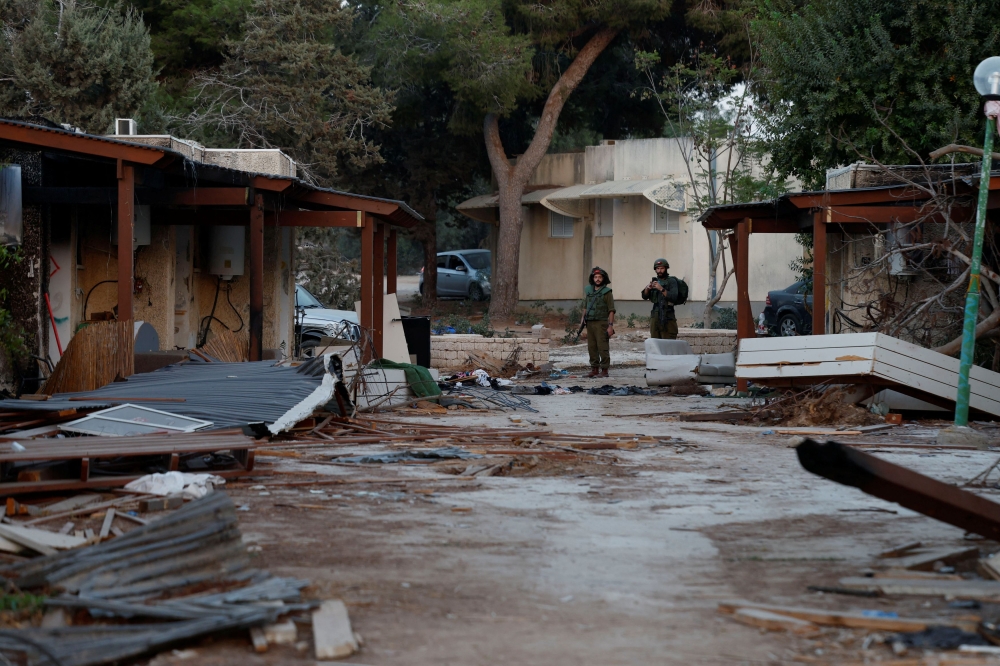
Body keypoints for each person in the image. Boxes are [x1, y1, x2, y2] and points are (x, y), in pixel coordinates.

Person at [580, 267, 615, 377]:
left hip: (601, 323)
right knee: (592, 347)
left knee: (602, 346)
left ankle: (604, 370)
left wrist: (610, 326)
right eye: (595, 277)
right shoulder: (589, 291)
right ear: (592, 278)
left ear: (603, 279)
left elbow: (611, 310)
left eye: (600, 277)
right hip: (590, 322)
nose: (598, 279)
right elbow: (585, 307)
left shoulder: (607, 292)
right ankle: (594, 368)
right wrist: (582, 319)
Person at [641, 258, 679, 339]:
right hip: (655, 314)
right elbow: (644, 296)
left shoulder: (672, 281)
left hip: (668, 314)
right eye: (657, 268)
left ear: (666, 268)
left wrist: (661, 289)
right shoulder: (655, 281)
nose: (659, 271)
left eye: (662, 268)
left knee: (668, 341)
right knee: (655, 341)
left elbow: (673, 297)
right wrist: (648, 288)